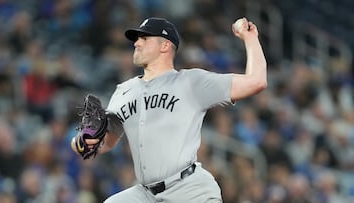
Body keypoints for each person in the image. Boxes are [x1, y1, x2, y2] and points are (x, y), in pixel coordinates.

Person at [71, 17, 267, 202]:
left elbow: (256, 81)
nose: (136, 43)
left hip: (189, 189)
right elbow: (103, 144)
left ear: (165, 45)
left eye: (145, 38)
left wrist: (250, 38)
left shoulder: (190, 82)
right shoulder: (123, 92)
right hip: (146, 194)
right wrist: (84, 139)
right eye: (137, 39)